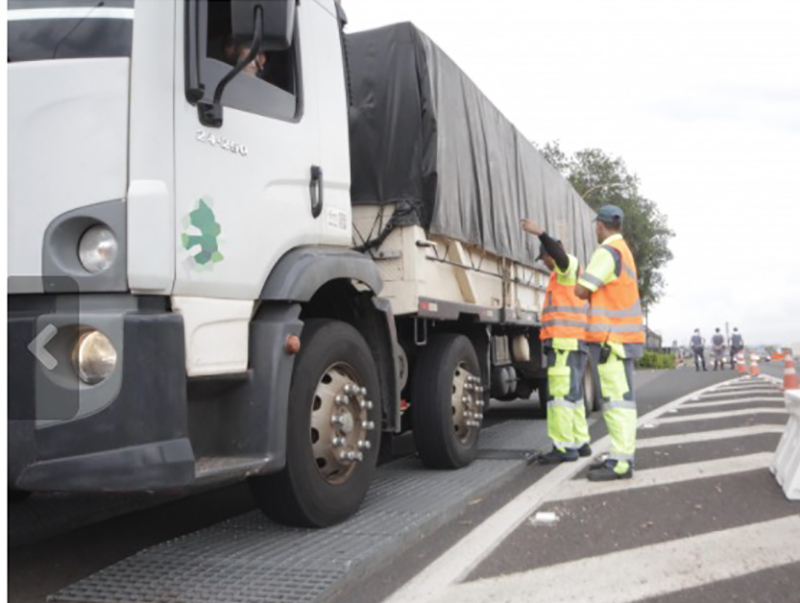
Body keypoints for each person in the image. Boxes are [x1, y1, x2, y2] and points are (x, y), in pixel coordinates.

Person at [575, 205, 645, 481]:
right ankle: (620, 455)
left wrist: (579, 285)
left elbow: (582, 289)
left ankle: (621, 462)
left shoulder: (607, 252)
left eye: (596, 226)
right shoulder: (624, 251)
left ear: (601, 225)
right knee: (621, 401)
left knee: (618, 402)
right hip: (620, 337)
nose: (595, 230)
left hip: (610, 339)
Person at [521, 219, 591, 464]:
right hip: (573, 343)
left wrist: (541, 233)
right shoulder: (566, 276)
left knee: (560, 398)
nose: (546, 265)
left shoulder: (568, 266)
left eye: (545, 259)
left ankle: (563, 448)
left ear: (550, 254)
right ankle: (580, 443)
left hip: (564, 344)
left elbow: (560, 258)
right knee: (575, 396)